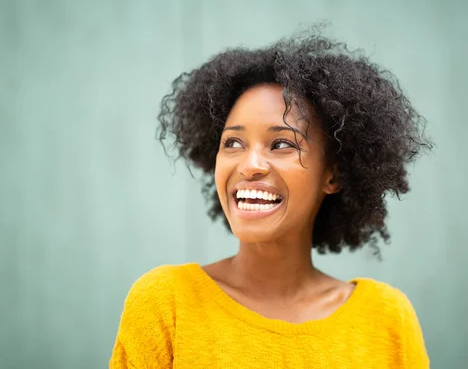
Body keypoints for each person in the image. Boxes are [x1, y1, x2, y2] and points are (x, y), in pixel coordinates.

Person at [109, 27, 432, 368]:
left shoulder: (386, 319)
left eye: (281, 144)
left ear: (333, 175)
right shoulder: (165, 304)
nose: (250, 165)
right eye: (232, 143)